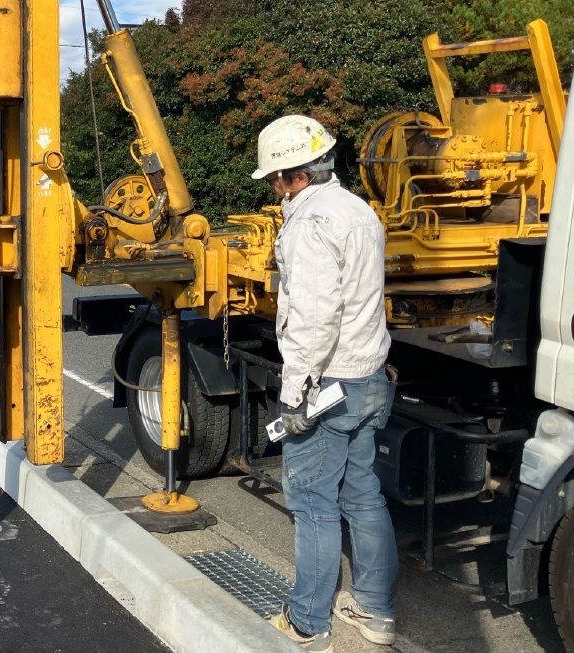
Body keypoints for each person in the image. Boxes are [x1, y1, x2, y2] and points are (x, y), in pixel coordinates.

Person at [250, 115, 399, 652]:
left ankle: (308, 623)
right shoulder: (359, 212)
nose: (273, 187)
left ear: (295, 175)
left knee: (312, 502)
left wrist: (295, 398)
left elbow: (315, 319)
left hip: (326, 386)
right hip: (368, 378)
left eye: (274, 178)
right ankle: (375, 610)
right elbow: (364, 302)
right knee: (363, 496)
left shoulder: (310, 224)